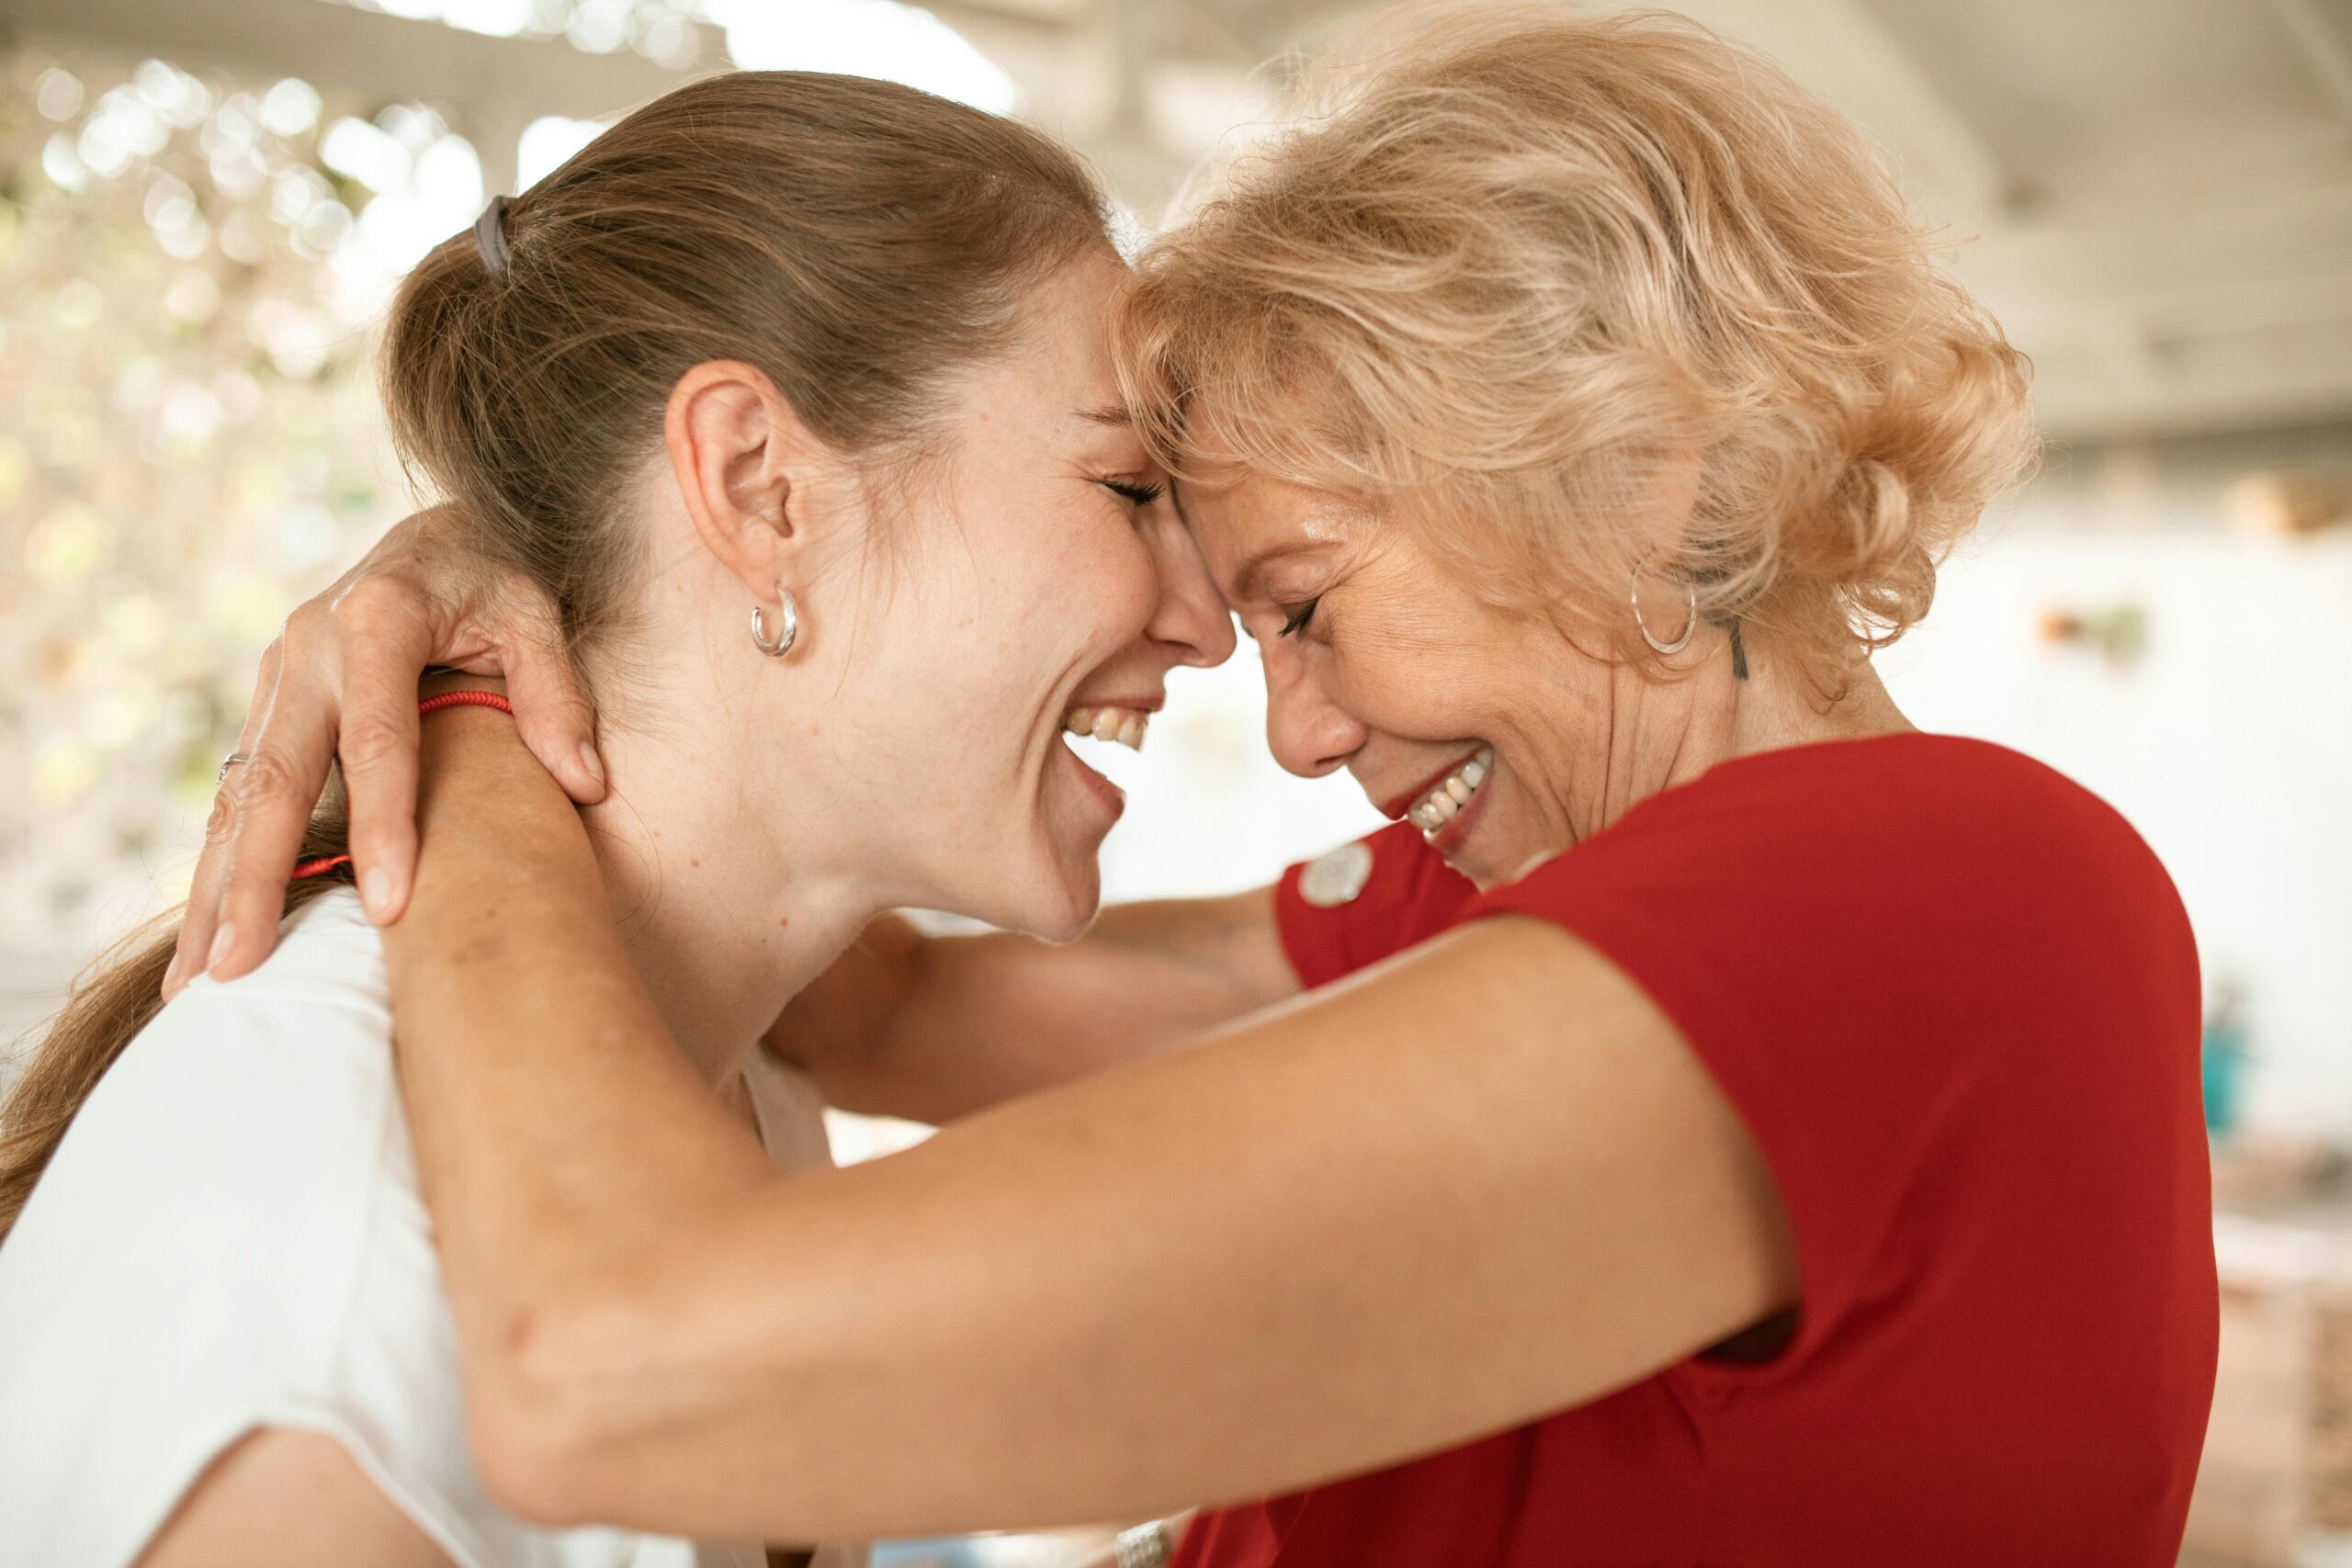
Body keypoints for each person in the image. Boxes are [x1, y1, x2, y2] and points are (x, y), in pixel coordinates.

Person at [163, 8, 2217, 1565]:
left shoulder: (1919, 891)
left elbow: (615, 1362)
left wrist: (469, 725)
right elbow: (882, 1004)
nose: (1297, 727)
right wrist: (528, 572)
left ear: (1634, 476)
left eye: (1306, 603)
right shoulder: (1558, 908)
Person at [0, 70, 1235, 1568]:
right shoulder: (332, 1271)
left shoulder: (730, 1068)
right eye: (1123, 488)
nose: (1210, 622)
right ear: (758, 485)